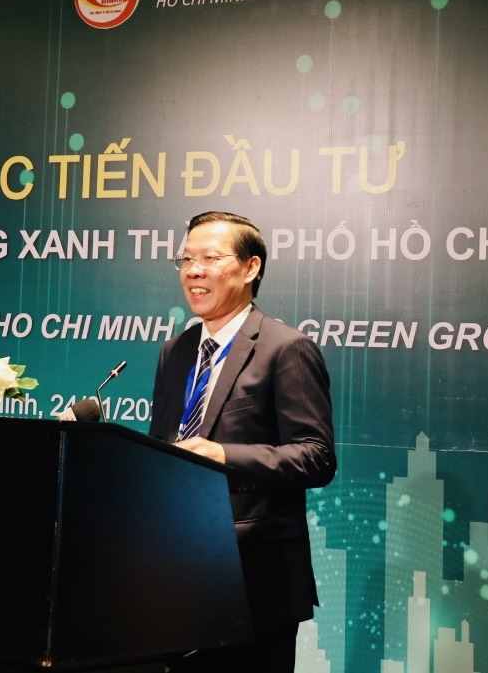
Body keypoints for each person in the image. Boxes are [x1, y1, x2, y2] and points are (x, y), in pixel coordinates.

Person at [148, 210, 336, 673]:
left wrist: (222, 455)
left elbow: (316, 457)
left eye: (210, 258)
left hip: (254, 581)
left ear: (251, 267)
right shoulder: (176, 350)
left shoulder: (286, 348)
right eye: (186, 260)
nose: (194, 271)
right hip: (174, 572)